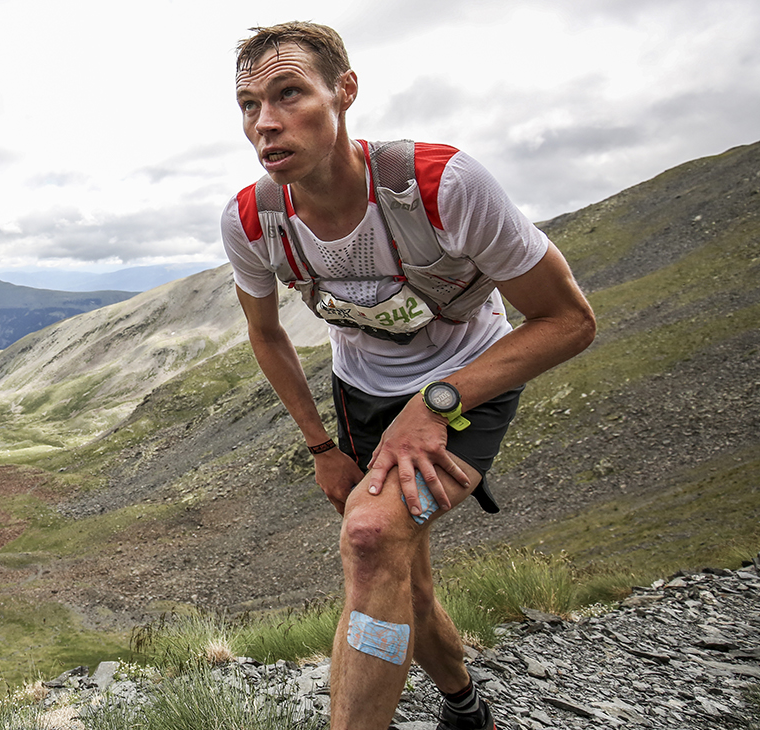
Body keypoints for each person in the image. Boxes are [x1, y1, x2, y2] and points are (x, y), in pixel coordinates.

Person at [220, 21, 596, 730]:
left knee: (369, 539)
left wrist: (438, 401)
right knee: (400, 569)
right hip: (360, 392)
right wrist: (321, 448)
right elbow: (265, 334)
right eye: (247, 105)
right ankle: (465, 705)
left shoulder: (442, 184)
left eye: (289, 93)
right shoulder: (252, 220)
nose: (265, 122)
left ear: (345, 92)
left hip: (466, 383)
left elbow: (570, 320)